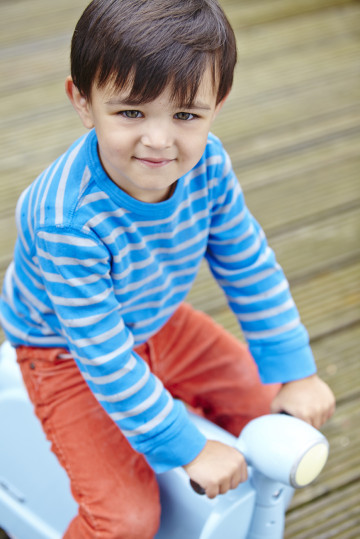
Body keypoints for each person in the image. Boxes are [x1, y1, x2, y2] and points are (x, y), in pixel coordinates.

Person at [0, 0, 335, 537]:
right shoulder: (66, 217)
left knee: (268, 408)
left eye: (185, 115)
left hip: (156, 315)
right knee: (127, 521)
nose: (159, 141)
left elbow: (247, 263)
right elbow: (103, 355)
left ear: (217, 106)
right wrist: (187, 446)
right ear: (82, 102)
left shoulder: (209, 164)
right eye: (131, 112)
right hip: (64, 348)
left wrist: (295, 369)